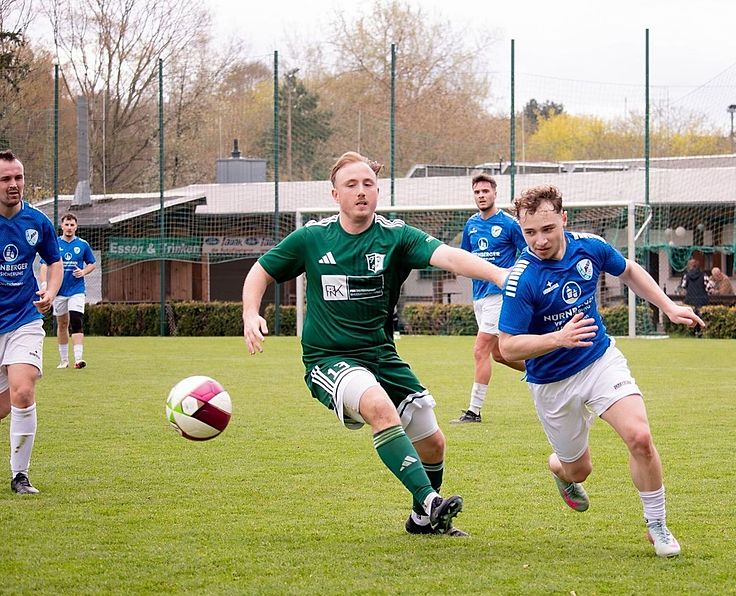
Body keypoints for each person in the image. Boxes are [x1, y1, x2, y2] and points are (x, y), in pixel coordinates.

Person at [242, 151, 509, 537]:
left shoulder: (395, 236)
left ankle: (421, 521)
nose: (361, 191)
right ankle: (431, 501)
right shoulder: (312, 238)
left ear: (378, 190)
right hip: (328, 358)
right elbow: (261, 271)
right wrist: (251, 313)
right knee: (379, 408)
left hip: (381, 355)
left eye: (368, 184)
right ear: (335, 194)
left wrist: (499, 275)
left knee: (433, 442)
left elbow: (450, 257)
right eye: (351, 185)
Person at [498, 185, 704, 557]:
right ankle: (559, 469)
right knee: (579, 471)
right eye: (529, 232)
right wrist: (557, 339)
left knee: (640, 437)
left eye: (547, 229)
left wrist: (668, 307)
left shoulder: (589, 247)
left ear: (564, 219)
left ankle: (656, 524)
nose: (539, 240)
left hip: (599, 361)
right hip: (552, 383)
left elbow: (629, 271)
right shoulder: (521, 279)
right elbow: (507, 347)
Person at [0, 150, 63, 494]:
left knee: (23, 391)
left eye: (18, 177)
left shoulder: (38, 222)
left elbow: (53, 262)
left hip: (24, 319)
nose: (14, 185)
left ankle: (19, 476)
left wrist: (51, 292)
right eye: (6, 179)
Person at [450, 173, 526, 425]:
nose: (481, 195)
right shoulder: (471, 225)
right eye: (477, 192)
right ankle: (544, 370)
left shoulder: (509, 223)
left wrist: (513, 276)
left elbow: (527, 253)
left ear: (495, 193)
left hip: (499, 295)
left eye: (485, 191)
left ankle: (474, 411)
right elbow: (464, 258)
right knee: (500, 354)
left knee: (480, 350)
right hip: (479, 297)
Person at [39, 213, 97, 369]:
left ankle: (78, 359)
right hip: (59, 291)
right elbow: (44, 265)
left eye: (72, 225)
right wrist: (45, 283)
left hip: (77, 290)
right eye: (67, 224)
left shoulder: (83, 244)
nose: (69, 228)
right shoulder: (54, 243)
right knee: (62, 323)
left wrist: (83, 272)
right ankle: (64, 360)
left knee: (76, 320)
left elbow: (92, 263)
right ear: (62, 226)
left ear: (76, 227)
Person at [680, 258, 708, 336]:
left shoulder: (686, 275)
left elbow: (683, 286)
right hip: (702, 299)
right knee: (701, 316)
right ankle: (701, 331)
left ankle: (692, 332)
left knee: (691, 316)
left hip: (690, 299)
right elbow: (708, 286)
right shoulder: (703, 275)